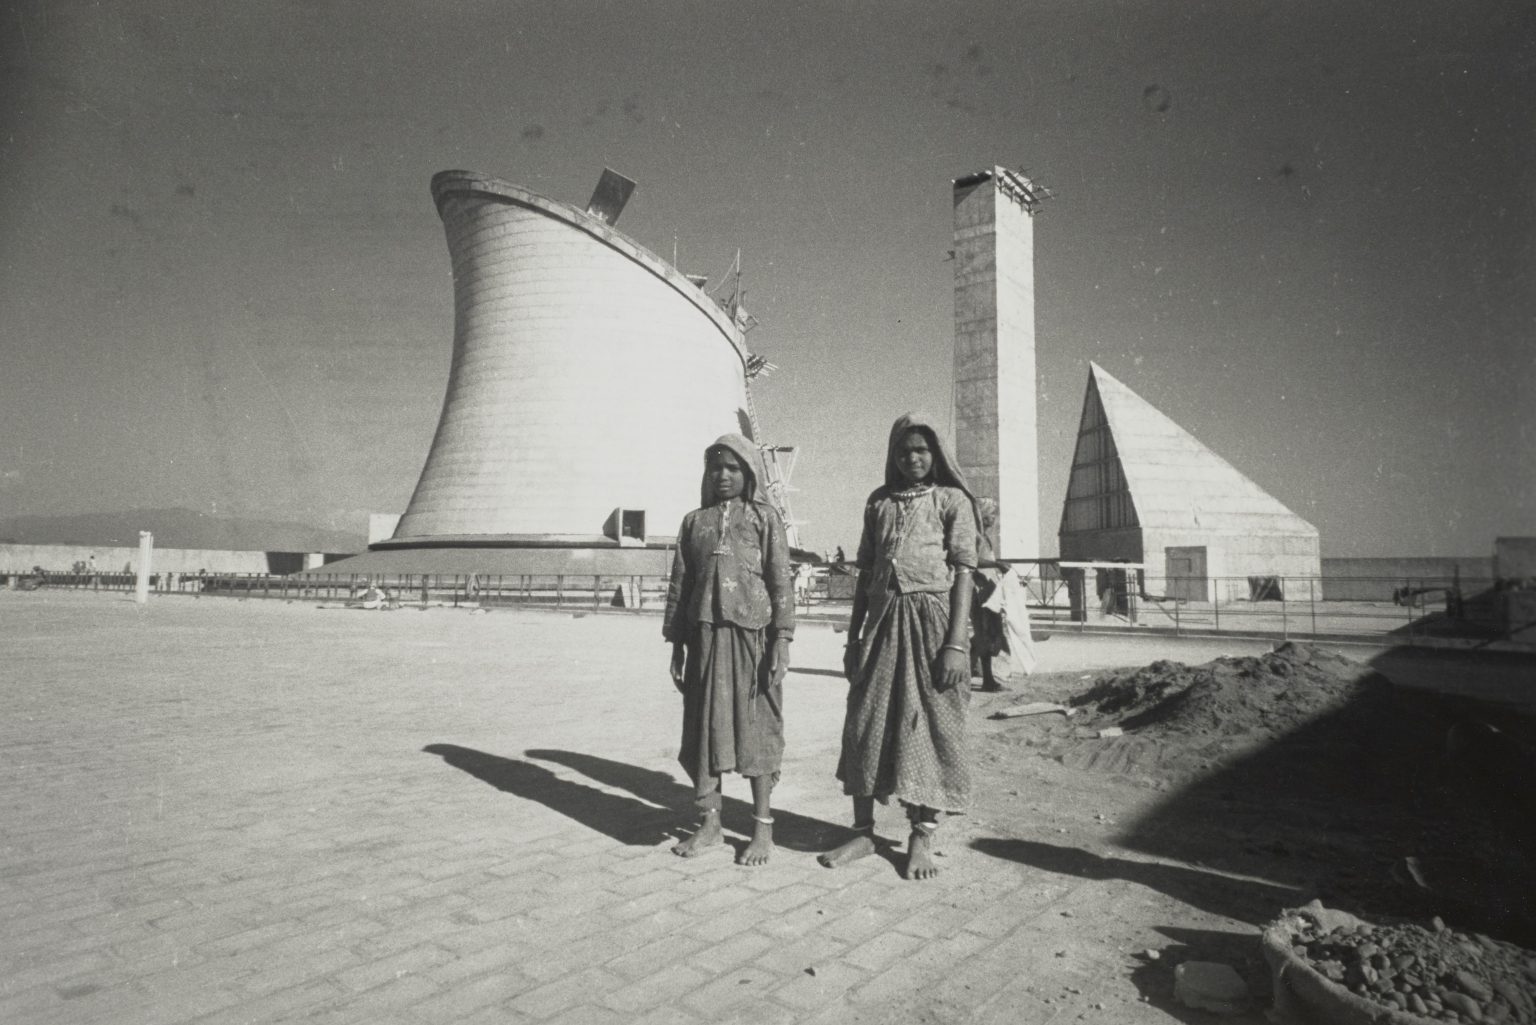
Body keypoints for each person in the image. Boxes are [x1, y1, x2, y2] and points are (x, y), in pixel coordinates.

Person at [819, 413, 981, 880]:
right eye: (905, 450)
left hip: (933, 625)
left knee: (929, 724)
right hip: (881, 623)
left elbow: (965, 572)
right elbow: (867, 574)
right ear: (893, 455)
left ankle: (921, 836)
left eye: (923, 450)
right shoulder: (879, 502)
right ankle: (864, 830)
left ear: (937, 456)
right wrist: (853, 638)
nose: (913, 458)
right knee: (865, 723)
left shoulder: (952, 500)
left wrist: (955, 644)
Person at [663, 433, 795, 866]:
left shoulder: (764, 518)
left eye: (733, 468)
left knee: (756, 728)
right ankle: (710, 824)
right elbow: (681, 585)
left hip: (752, 639)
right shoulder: (693, 522)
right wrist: (677, 644)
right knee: (704, 731)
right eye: (716, 467)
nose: (723, 475)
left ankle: (761, 828)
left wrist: (783, 640)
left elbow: (780, 580)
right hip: (703, 638)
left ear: (750, 473)